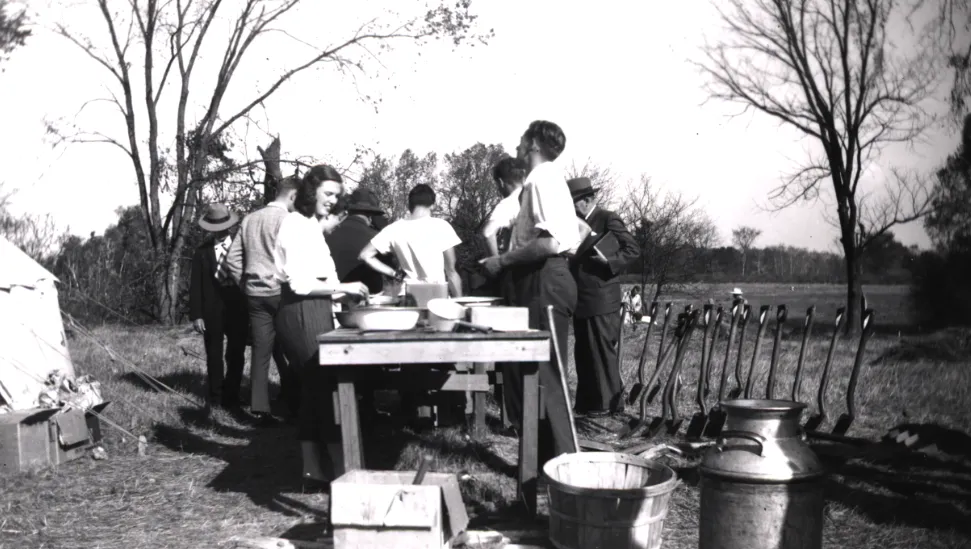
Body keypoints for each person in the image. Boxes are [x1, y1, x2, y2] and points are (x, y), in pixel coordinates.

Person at [479, 120, 580, 459]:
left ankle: (565, 469)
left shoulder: (540, 179)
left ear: (535, 143)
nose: (518, 145)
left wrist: (503, 262)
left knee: (547, 377)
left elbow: (550, 244)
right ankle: (543, 464)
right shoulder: (548, 180)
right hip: (543, 279)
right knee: (538, 375)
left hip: (544, 280)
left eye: (523, 139)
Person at [272, 164, 370, 484]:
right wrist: (344, 288)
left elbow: (326, 275)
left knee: (316, 391)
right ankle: (343, 469)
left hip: (316, 309)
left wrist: (345, 297)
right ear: (310, 190)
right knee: (326, 389)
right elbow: (299, 284)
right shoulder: (295, 225)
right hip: (299, 312)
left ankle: (312, 468)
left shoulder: (311, 225)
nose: (332, 200)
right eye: (328, 193)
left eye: (336, 195)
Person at [223, 176, 299, 425]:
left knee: (261, 352)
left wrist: (244, 284)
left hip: (255, 295)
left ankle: (260, 408)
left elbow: (232, 260)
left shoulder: (249, 219)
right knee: (293, 349)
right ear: (293, 196)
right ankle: (295, 403)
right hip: (282, 293)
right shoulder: (289, 220)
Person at [567, 176, 640, 417]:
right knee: (584, 353)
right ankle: (588, 405)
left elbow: (632, 249)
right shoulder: (572, 223)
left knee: (601, 351)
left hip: (601, 299)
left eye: (575, 202)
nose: (571, 207)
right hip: (580, 299)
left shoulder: (608, 218)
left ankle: (610, 406)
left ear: (588, 200)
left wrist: (609, 262)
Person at [189, 203, 249, 411]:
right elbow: (195, 285)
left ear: (230, 225)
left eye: (223, 227)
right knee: (214, 354)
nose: (220, 232)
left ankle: (233, 396)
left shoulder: (242, 247)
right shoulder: (202, 252)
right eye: (215, 228)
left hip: (237, 308)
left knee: (236, 353)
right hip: (211, 310)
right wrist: (197, 315)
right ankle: (216, 397)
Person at [359, 184, 463, 298]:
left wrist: (394, 273)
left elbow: (365, 255)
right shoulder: (442, 226)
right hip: (436, 295)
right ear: (433, 205)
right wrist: (460, 304)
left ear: (410, 205)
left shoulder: (394, 229)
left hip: (407, 296)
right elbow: (451, 271)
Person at [325, 188, 386, 295]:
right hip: (364, 302)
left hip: (331, 298)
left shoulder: (327, 234)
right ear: (371, 216)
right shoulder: (376, 239)